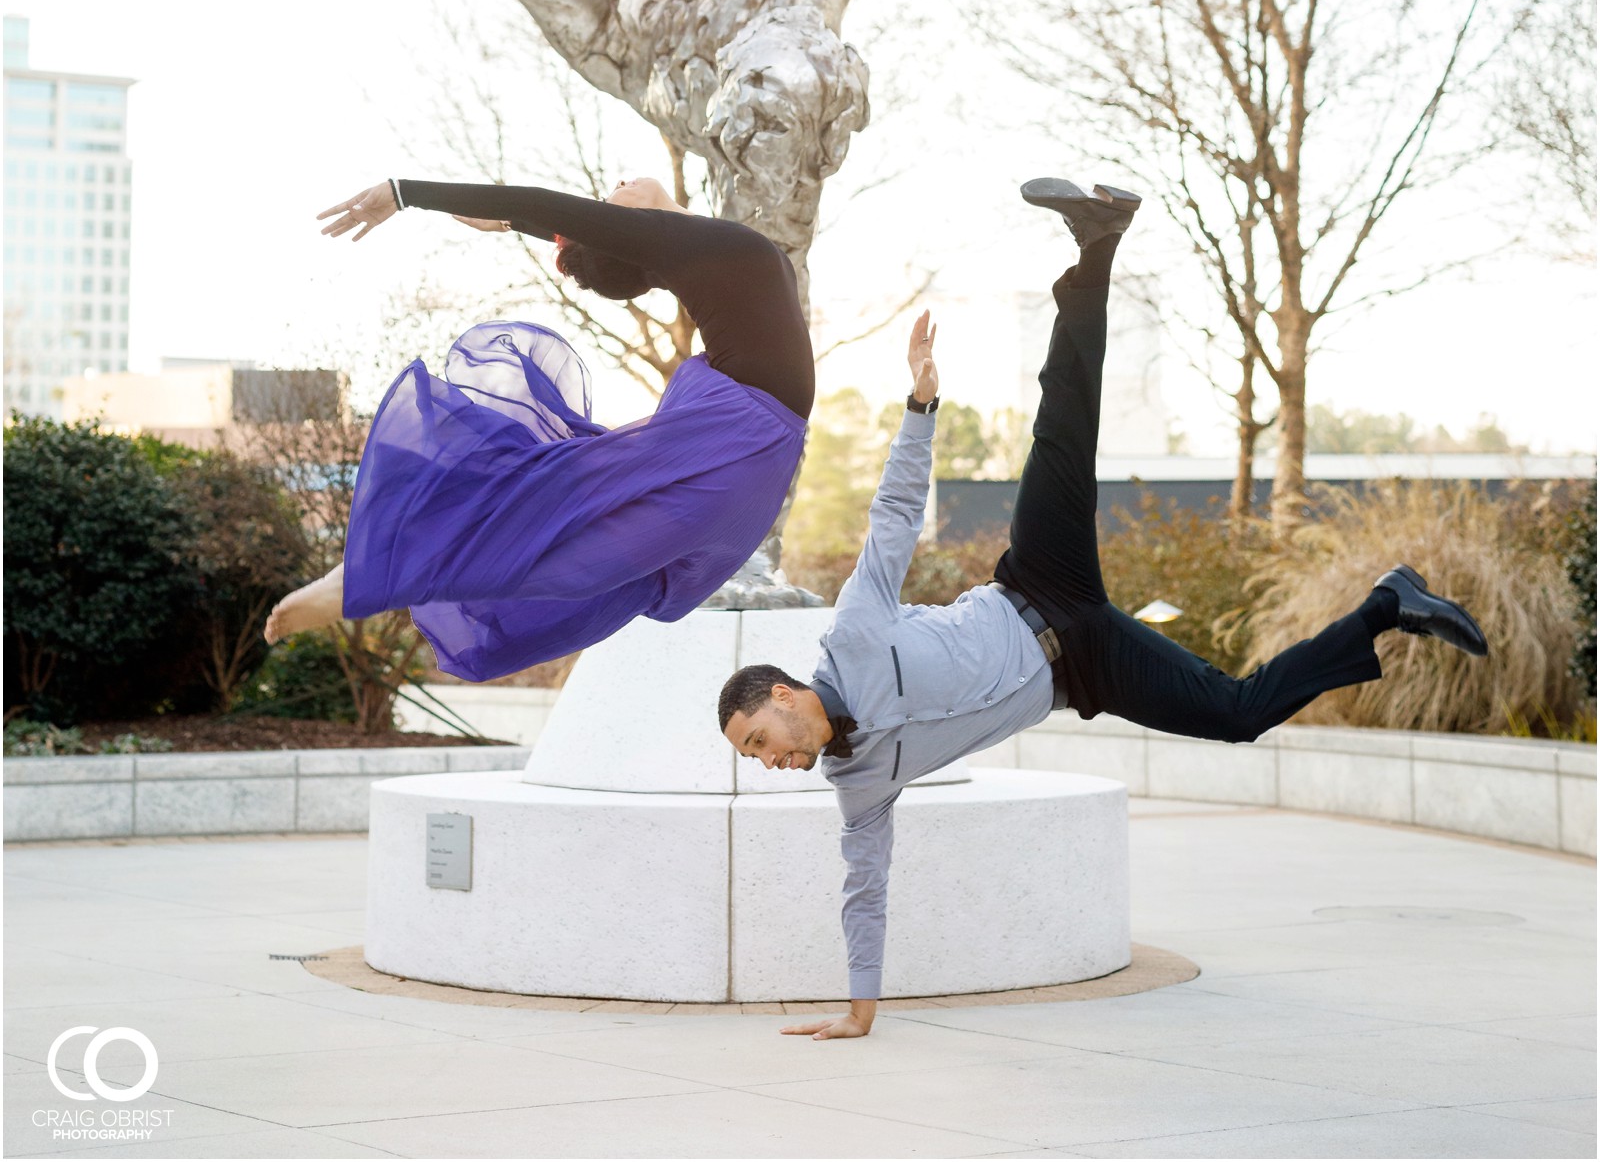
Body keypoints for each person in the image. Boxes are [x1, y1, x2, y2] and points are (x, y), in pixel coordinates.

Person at [718, 177, 1489, 1040]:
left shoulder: (852, 632)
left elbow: (893, 517)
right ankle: (1390, 603)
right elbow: (865, 887)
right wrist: (860, 1011)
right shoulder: (857, 784)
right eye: (753, 755)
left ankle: (1097, 244)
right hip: (1083, 669)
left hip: (1038, 584)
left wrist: (923, 405)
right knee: (1237, 715)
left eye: (757, 740)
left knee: (1064, 432)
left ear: (782, 695)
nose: (765, 760)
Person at [263, 172, 812, 679]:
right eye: (604, 209)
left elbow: (547, 214)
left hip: (747, 450)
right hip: (744, 446)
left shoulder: (695, 250)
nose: (615, 186)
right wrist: (403, 192)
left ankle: (392, 568)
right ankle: (385, 570)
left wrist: (513, 223)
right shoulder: (689, 246)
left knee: (582, 541)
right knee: (582, 551)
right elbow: (543, 206)